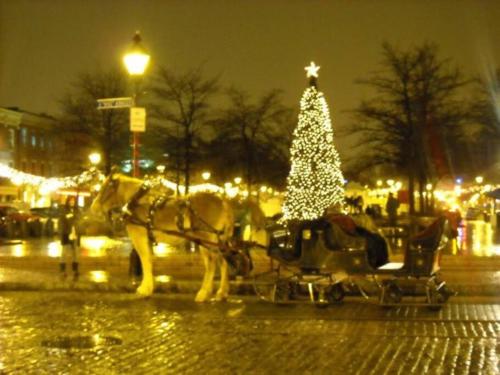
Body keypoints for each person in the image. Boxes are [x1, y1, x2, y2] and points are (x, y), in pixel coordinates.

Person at [59, 196, 80, 281]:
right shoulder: (64, 210)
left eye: (73, 201)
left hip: (75, 234)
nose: (72, 202)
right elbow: (64, 220)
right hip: (66, 234)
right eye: (71, 201)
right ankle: (62, 270)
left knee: (76, 253)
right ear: (68, 201)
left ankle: (75, 270)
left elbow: (78, 219)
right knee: (64, 252)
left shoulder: (77, 210)